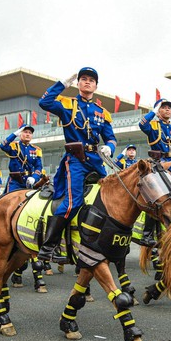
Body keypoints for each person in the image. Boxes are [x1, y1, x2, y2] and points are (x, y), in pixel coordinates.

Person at [38, 67, 117, 263]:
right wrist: (62, 84)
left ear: (96, 85)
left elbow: (111, 137)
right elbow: (44, 102)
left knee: (112, 197)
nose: (87, 82)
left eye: (91, 80)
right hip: (76, 160)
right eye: (83, 79)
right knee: (73, 202)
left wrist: (109, 147)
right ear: (79, 83)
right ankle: (49, 245)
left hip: (97, 161)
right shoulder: (67, 104)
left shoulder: (102, 113)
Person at [139, 98, 171, 247]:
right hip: (157, 164)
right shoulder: (153, 126)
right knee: (157, 199)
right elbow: (142, 124)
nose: (167, 109)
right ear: (158, 111)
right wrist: (152, 112)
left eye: (169, 107)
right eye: (163, 107)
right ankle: (147, 234)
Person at [0, 124, 43, 192]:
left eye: (30, 133)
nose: (28, 134)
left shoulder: (36, 150)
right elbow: (3, 146)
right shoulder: (14, 146)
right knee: (10, 200)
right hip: (15, 182)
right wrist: (14, 135)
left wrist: (34, 178)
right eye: (25, 132)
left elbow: (38, 167)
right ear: (20, 134)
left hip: (29, 181)